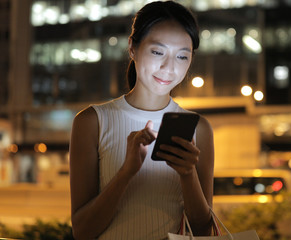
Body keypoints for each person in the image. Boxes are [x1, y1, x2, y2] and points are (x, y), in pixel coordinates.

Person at [69, 1, 214, 239]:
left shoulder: (199, 128)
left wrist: (187, 174)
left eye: (181, 56)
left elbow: (203, 230)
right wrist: (127, 172)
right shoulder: (92, 122)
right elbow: (82, 231)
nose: (169, 67)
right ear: (132, 48)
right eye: (157, 52)